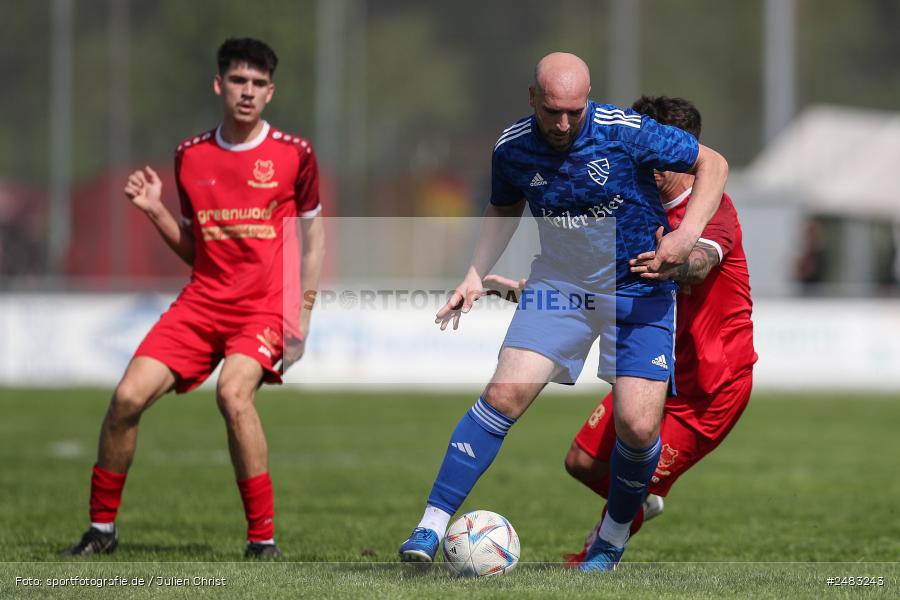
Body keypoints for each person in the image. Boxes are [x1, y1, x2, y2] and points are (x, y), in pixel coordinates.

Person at [398, 53, 728, 571]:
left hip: (637, 289)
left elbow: (714, 163)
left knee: (638, 428)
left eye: (575, 111)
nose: (564, 123)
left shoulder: (627, 132)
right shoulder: (511, 148)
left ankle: (611, 542)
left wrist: (686, 237)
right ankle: (430, 526)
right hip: (563, 286)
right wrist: (474, 273)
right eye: (553, 111)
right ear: (533, 98)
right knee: (503, 394)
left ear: (589, 98)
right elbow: (504, 205)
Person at [63, 38, 325, 559]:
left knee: (232, 394)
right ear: (218, 84)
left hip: (262, 309)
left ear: (270, 92)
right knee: (126, 399)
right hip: (201, 303)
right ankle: (101, 531)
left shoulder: (294, 155)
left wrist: (302, 315)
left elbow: (314, 240)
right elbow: (195, 249)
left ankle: (262, 541)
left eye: (256, 83)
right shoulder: (189, 157)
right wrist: (155, 211)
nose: (246, 92)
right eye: (237, 80)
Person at [486, 96, 757, 566]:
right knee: (582, 463)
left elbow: (700, 264)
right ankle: (637, 505)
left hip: (708, 389)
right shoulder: (635, 206)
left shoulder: (714, 211)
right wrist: (530, 293)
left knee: (635, 473)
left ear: (683, 155)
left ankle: (603, 548)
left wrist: (673, 262)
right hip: (653, 367)